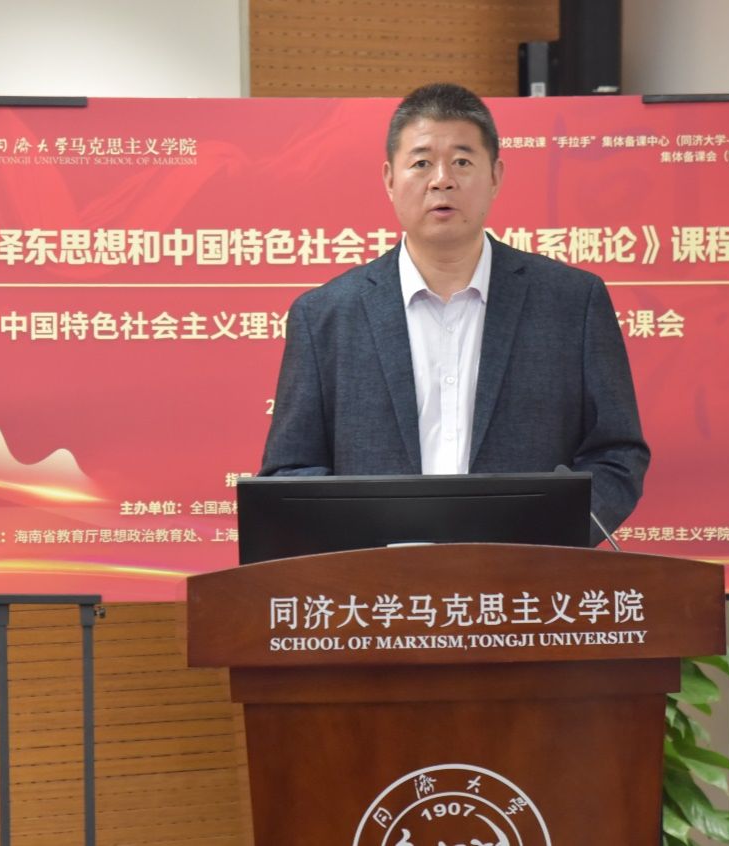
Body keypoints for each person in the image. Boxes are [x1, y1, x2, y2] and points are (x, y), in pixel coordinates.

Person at [259, 82, 649, 543]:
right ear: (389, 179)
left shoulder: (572, 303)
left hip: (525, 577)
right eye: (421, 163)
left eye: (462, 162)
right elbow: (291, 471)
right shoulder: (325, 316)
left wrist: (550, 538)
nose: (441, 180)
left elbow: (616, 454)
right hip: (377, 581)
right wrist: (362, 549)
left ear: (496, 176)